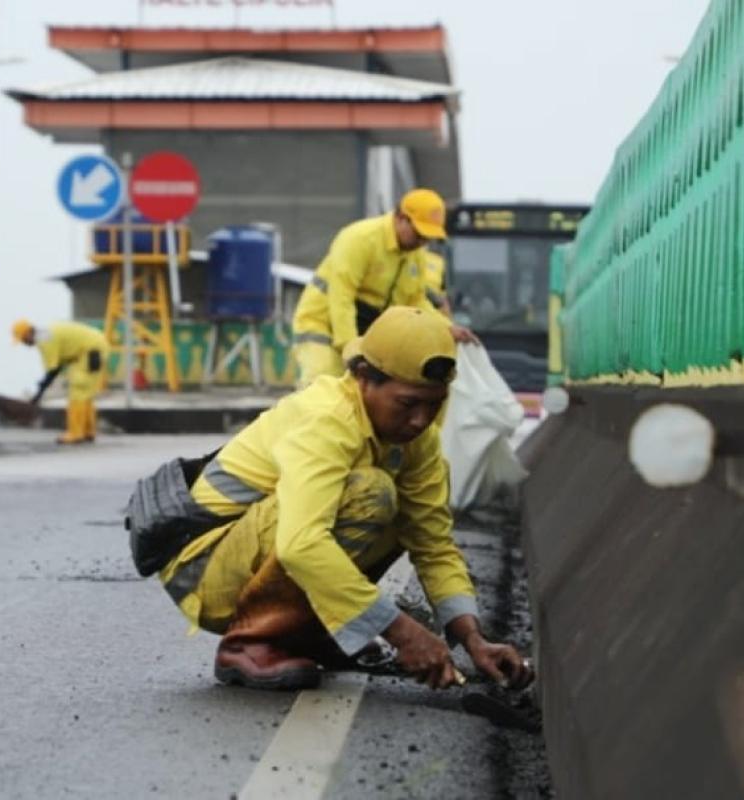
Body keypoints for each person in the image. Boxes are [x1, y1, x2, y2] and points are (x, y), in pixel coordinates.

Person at [131, 306, 530, 691]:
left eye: (435, 404)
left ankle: (309, 632)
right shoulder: (326, 419)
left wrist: (473, 639)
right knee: (370, 493)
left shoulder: (417, 442)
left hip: (253, 554)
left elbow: (433, 544)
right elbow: (301, 545)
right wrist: (402, 632)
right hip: (204, 572)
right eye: (408, 403)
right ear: (364, 378)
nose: (420, 420)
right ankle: (250, 641)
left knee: (405, 513)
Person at [289, 188, 477, 388]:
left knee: (357, 395)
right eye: (419, 234)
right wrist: (350, 347)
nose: (422, 242)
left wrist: (445, 328)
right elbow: (342, 297)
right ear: (401, 218)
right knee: (322, 386)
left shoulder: (414, 256)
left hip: (360, 330)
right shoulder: (361, 238)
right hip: (321, 325)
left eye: (428, 237)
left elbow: (415, 301)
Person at [12, 319, 110, 444]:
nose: (23, 343)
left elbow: (53, 370)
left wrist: (39, 393)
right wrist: (41, 389)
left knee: (78, 392)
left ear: (28, 333)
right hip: (96, 346)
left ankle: (76, 434)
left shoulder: (45, 339)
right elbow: (57, 366)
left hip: (90, 350)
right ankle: (88, 431)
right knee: (85, 394)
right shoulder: (45, 334)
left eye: (22, 339)